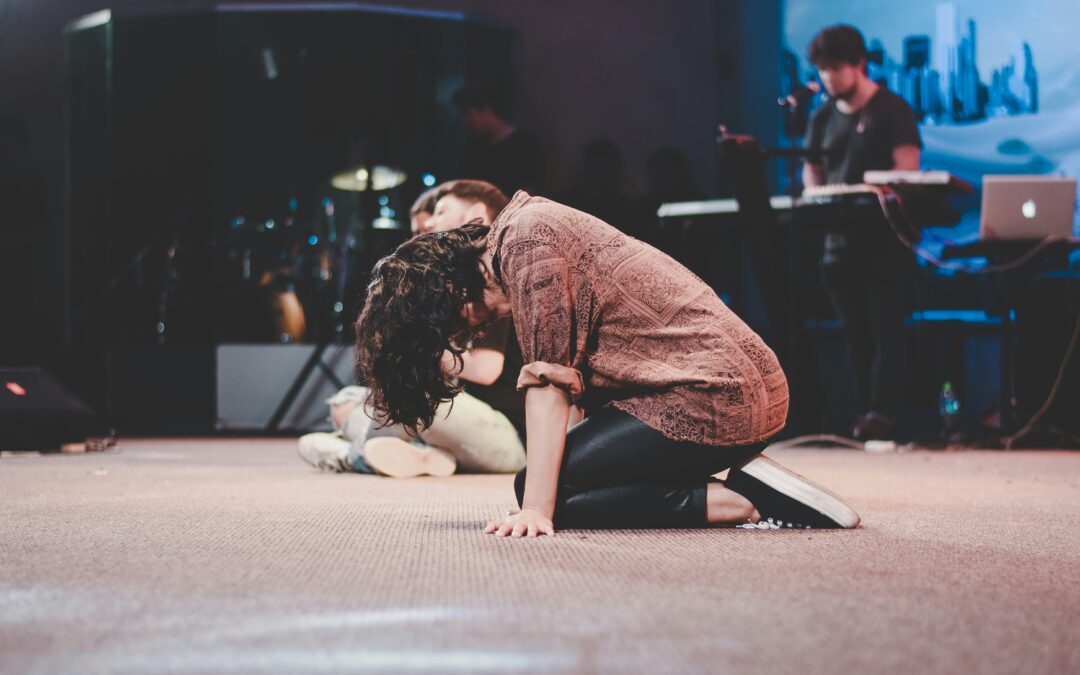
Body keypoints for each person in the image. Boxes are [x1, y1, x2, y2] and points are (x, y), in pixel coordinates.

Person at [355, 189, 862, 537]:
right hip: (728, 388)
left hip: (714, 395)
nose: (465, 334)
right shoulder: (524, 232)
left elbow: (549, 386)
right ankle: (743, 485)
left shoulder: (527, 244)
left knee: (539, 490)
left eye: (451, 326)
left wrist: (535, 509)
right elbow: (577, 394)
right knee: (554, 479)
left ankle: (741, 501)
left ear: (450, 291)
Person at [298, 181, 526, 477]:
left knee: (403, 393)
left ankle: (351, 455)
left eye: (441, 211)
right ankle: (425, 456)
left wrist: (414, 348)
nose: (431, 222)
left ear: (478, 214)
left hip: (505, 435)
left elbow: (486, 369)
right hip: (462, 424)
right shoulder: (458, 282)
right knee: (346, 401)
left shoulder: (491, 279)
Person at [802, 24, 921, 441]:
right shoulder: (820, 117)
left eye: (835, 67)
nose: (828, 78)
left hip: (885, 243)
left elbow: (908, 171)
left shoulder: (892, 109)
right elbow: (812, 174)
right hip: (838, 246)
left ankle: (883, 414)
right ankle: (858, 413)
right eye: (822, 69)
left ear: (859, 64)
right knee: (853, 335)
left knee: (887, 331)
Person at [453, 82, 545, 196]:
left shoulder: (523, 144)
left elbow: (529, 190)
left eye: (469, 115)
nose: (466, 122)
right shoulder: (472, 146)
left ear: (487, 110)